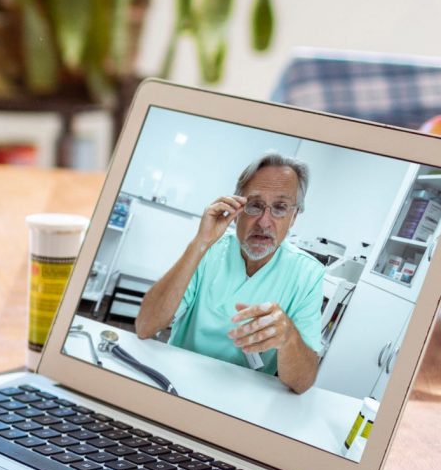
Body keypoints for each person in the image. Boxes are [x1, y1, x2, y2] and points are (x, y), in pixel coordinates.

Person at [133, 153, 328, 391]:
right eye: (255, 205)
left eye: (280, 208)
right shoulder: (208, 249)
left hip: (244, 395)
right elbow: (145, 326)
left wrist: (289, 337)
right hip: (177, 378)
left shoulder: (307, 274)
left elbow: (303, 383)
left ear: (294, 217)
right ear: (236, 208)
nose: (264, 222)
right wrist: (199, 243)